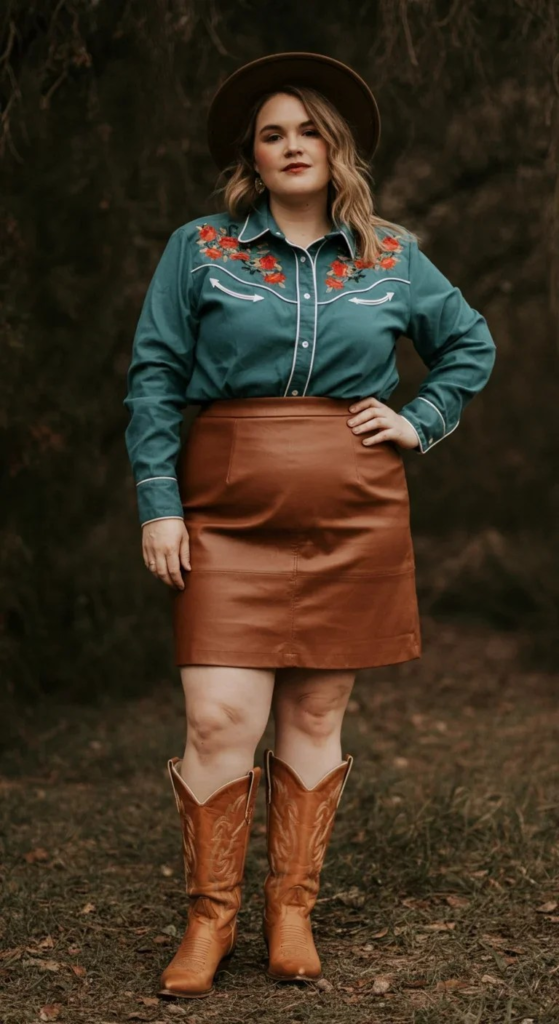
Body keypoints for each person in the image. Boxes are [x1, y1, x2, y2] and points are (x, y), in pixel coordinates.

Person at [123, 51, 497, 1000]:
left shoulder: (392, 255)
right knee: (217, 717)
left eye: (308, 131)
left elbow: (469, 343)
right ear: (252, 156)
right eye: (272, 133)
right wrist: (160, 503)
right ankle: (209, 920)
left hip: (351, 514)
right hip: (224, 510)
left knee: (316, 712)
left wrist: (419, 419)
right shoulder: (199, 247)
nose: (293, 146)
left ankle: (291, 912)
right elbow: (156, 377)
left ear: (338, 149)